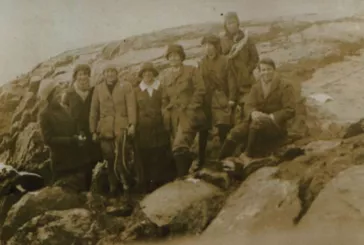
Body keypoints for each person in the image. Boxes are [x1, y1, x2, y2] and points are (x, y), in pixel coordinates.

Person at [219, 57, 295, 161]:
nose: (266, 72)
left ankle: (248, 155)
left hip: (276, 126)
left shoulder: (284, 86)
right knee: (236, 132)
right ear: (259, 72)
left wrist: (272, 117)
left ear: (274, 70)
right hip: (256, 120)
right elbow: (248, 105)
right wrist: (253, 113)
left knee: (257, 123)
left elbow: (290, 110)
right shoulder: (256, 87)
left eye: (269, 69)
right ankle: (221, 160)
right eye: (263, 70)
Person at [89, 64, 136, 198]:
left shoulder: (125, 86)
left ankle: (126, 186)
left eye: (112, 71)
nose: (110, 74)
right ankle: (113, 187)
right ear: (103, 74)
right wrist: (93, 131)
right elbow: (94, 111)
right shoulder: (98, 89)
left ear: (117, 73)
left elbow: (131, 106)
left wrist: (132, 124)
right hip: (105, 130)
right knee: (109, 159)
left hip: (122, 128)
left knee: (122, 157)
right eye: (107, 71)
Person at [160, 44, 206, 178]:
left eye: (176, 55)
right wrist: (165, 112)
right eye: (171, 56)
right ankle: (187, 174)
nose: (173, 58)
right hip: (173, 118)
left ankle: (181, 178)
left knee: (179, 146)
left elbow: (200, 90)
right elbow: (164, 98)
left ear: (182, 57)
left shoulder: (191, 70)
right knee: (179, 146)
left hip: (190, 114)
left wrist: (192, 106)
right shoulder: (165, 76)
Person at [38, 81, 89, 192]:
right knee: (62, 193)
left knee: (81, 193)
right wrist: (71, 140)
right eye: (56, 93)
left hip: (75, 158)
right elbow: (48, 140)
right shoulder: (44, 114)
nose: (59, 95)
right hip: (61, 162)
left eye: (59, 92)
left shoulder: (64, 108)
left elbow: (73, 125)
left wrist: (80, 134)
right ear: (49, 97)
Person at [134, 62, 176, 192]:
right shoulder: (136, 91)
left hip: (160, 127)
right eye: (144, 72)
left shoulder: (161, 88)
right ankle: (148, 183)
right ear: (141, 75)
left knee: (161, 153)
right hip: (144, 129)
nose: (147, 74)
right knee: (146, 155)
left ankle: (163, 181)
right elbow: (133, 110)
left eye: (150, 72)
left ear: (154, 74)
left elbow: (168, 104)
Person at [198, 34, 237, 167]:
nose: (208, 49)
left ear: (216, 47)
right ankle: (201, 159)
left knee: (223, 124)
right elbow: (199, 83)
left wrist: (231, 99)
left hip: (221, 98)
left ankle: (225, 157)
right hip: (207, 99)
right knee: (202, 125)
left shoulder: (225, 61)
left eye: (211, 46)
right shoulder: (202, 63)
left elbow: (231, 81)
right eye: (205, 46)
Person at [63, 64, 102, 190]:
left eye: (85, 74)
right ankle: (82, 189)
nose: (83, 77)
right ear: (75, 76)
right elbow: (64, 112)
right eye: (80, 74)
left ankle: (94, 187)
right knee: (80, 161)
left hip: (92, 128)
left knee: (95, 158)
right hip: (76, 130)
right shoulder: (69, 93)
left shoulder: (94, 90)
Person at [220, 11, 259, 121]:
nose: (231, 25)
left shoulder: (246, 39)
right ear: (225, 26)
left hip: (246, 80)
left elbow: (255, 58)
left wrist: (247, 70)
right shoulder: (222, 41)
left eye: (233, 22)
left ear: (238, 23)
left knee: (249, 106)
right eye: (228, 23)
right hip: (230, 81)